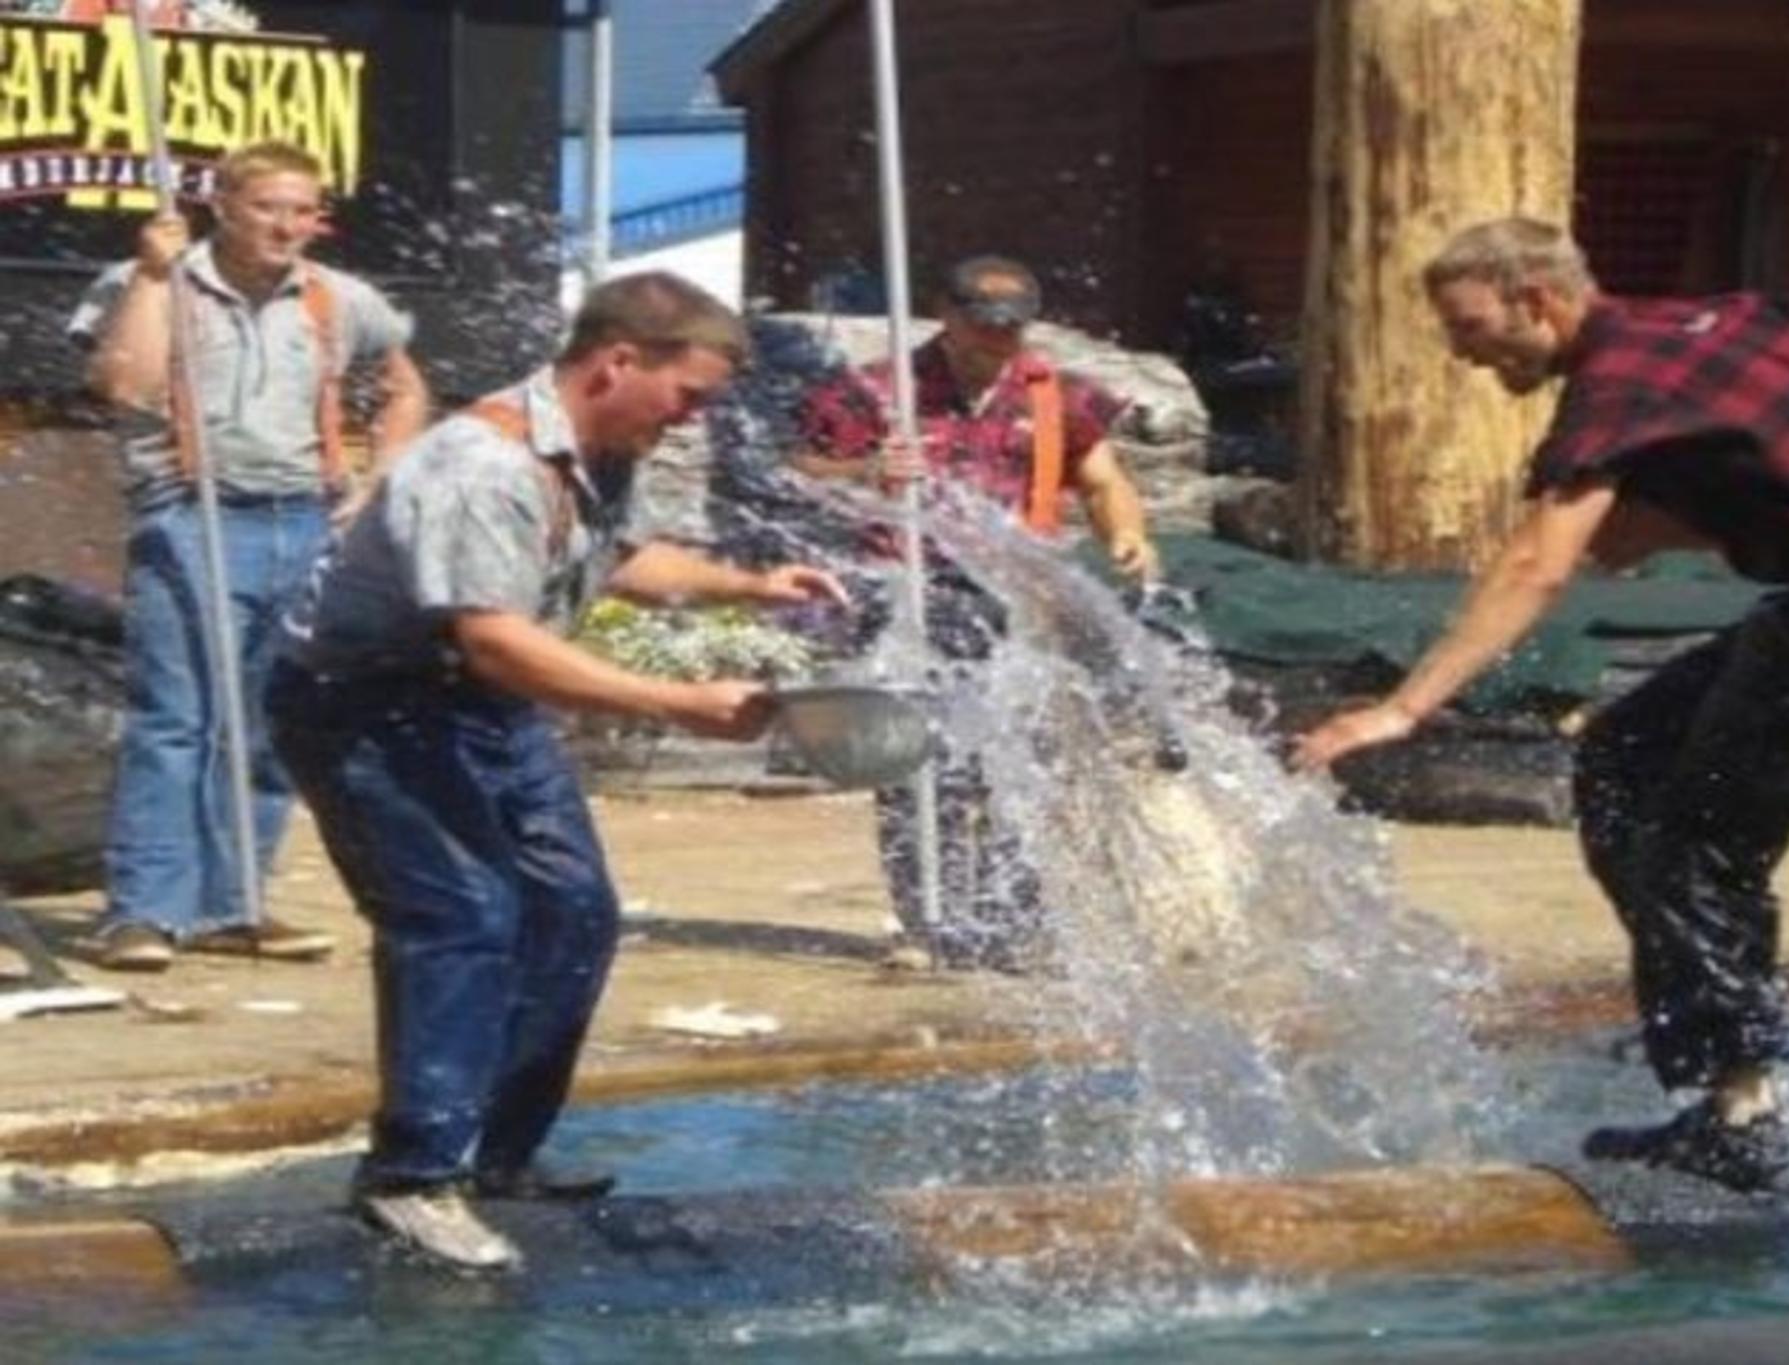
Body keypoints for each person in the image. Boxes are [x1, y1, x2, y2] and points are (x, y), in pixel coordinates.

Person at [1295, 217, 1789, 1192]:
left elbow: (1536, 566)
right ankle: (1699, 1030)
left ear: (1538, 299)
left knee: (1696, 842)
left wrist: (1403, 710)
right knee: (1619, 758)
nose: (1460, 351)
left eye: (1470, 325)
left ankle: (1741, 1109)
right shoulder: (1735, 318)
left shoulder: (1614, 392)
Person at [267, 272, 847, 1271]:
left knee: (573, 912)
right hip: (368, 705)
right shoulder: (478, 466)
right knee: (459, 917)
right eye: (689, 396)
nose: (693, 420)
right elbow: (496, 642)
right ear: (617, 362)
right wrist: (681, 705)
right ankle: (412, 1179)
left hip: (475, 704)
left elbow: (614, 559)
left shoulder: (597, 449)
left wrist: (748, 587)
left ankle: (494, 1155)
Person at [70, 140, 431, 973]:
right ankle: (144, 911)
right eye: (269, 205)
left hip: (304, 519)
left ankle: (233, 904)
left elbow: (406, 384)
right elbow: (124, 385)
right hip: (193, 514)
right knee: (178, 717)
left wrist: (379, 478)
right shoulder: (153, 281)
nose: (287, 225)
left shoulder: (337, 299)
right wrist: (155, 279)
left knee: (268, 722)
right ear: (222, 205)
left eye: (302, 209)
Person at [795, 254, 1160, 970]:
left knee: (1016, 758)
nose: (1002, 339)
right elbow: (803, 468)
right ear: (949, 316)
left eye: (1014, 326)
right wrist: (867, 472)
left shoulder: (1057, 395)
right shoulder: (877, 391)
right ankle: (925, 917)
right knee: (918, 761)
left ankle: (1014, 919)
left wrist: (1128, 532)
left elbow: (1102, 477)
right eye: (986, 325)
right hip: (907, 593)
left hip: (1016, 599)